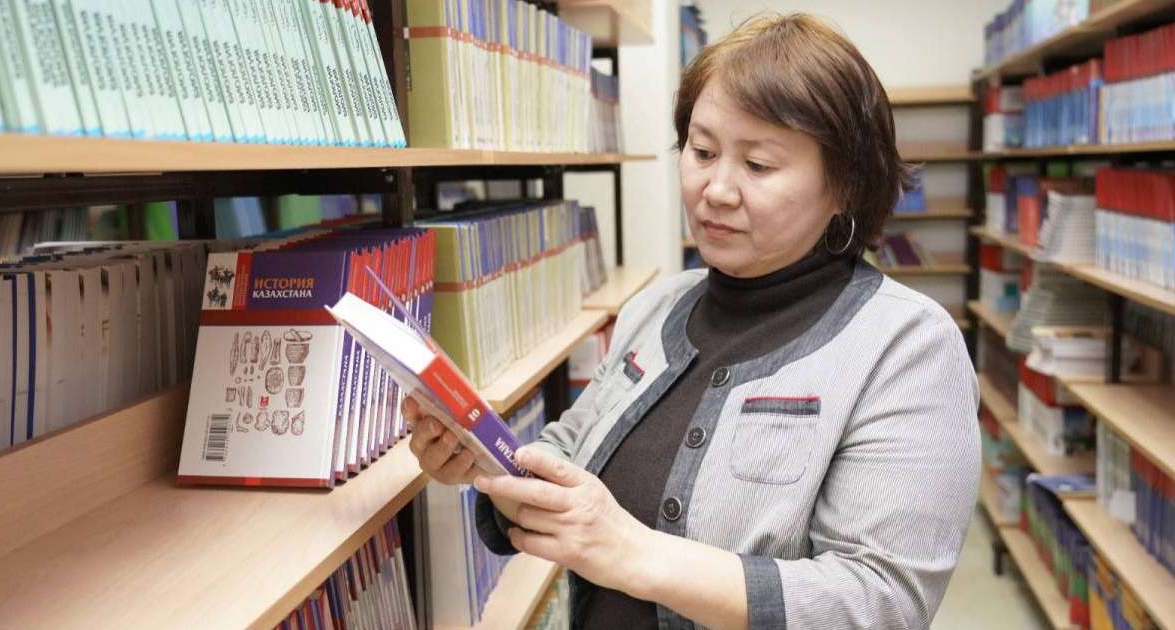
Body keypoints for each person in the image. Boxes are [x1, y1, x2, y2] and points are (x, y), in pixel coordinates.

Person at [404, 13, 980, 630]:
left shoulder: (907, 346)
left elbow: (880, 600)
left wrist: (631, 552)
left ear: (844, 184)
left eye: (758, 165)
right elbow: (572, 445)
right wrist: (488, 460)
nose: (716, 189)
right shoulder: (657, 307)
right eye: (702, 151)